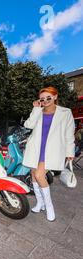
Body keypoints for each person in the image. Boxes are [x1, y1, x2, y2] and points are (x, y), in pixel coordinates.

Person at [22, 86, 75, 222]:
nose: (45, 100)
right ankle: (40, 203)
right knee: (34, 175)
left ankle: (49, 205)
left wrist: (70, 151)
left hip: (52, 150)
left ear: (55, 97)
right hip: (35, 148)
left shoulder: (65, 112)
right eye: (42, 98)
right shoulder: (38, 111)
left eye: (48, 97)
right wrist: (35, 109)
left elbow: (69, 134)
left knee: (40, 175)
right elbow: (28, 125)